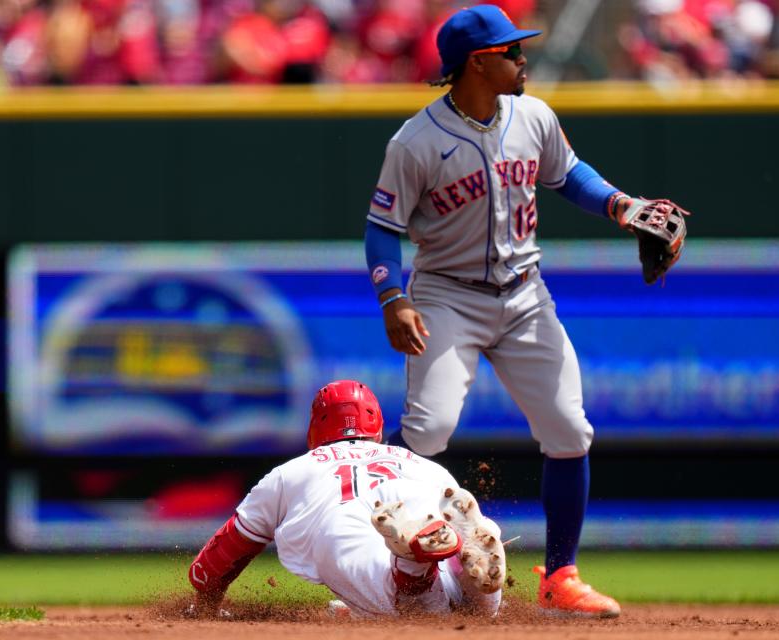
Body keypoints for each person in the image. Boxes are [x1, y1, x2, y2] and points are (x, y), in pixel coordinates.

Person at [363, 4, 680, 619]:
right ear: (478, 62)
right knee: (425, 432)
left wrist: (620, 205)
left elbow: (570, 176)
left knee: (568, 430)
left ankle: (560, 575)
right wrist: (392, 296)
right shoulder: (417, 140)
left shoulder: (533, 116)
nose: (521, 57)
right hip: (447, 296)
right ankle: (371, 557)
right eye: (510, 51)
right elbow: (381, 228)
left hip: (525, 295)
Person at [186, 379, 507, 618]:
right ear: (377, 425)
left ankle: (411, 566)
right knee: (473, 612)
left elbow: (228, 548)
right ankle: (459, 567)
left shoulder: (289, 473)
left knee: (415, 614)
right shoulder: (424, 466)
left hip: (348, 538)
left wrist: (205, 601)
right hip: (420, 515)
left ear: (316, 427)